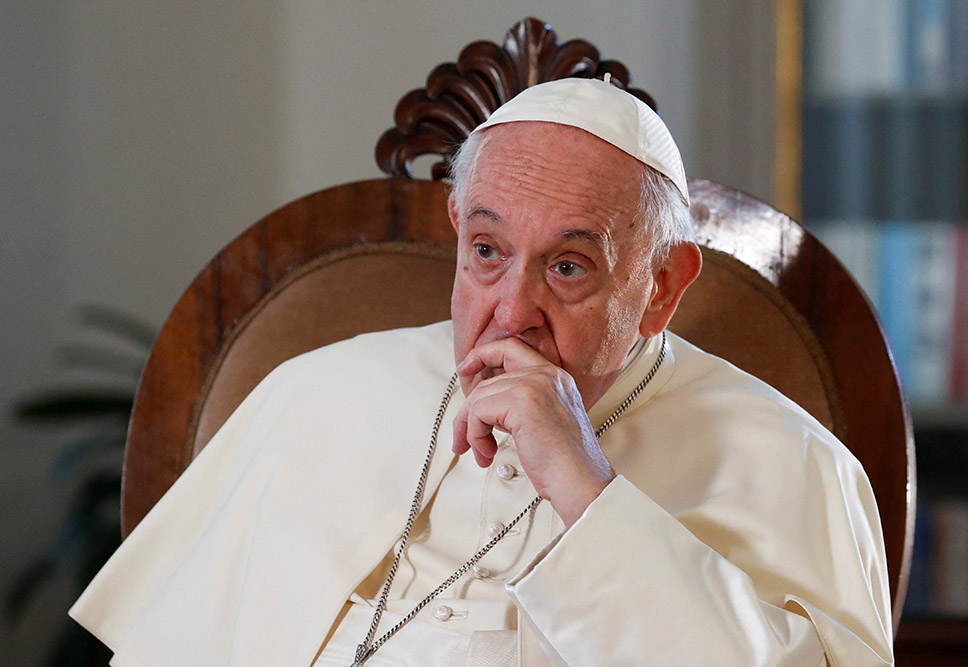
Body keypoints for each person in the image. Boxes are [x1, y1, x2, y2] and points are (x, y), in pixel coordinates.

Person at [70, 78, 893, 666]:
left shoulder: (791, 459)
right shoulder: (319, 393)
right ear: (457, 226)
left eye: (569, 266)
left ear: (662, 286)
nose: (511, 310)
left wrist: (586, 487)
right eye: (489, 253)